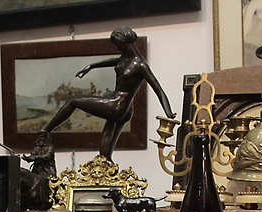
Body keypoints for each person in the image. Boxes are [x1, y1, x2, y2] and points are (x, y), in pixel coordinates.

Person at [42, 26, 175, 161]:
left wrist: (168, 113)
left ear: (124, 43)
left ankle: (45, 131)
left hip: (117, 106)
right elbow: (112, 61)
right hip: (122, 107)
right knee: (104, 156)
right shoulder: (125, 58)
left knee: (73, 101)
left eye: (118, 44)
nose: (117, 48)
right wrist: (91, 66)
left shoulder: (140, 65)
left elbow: (158, 89)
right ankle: (106, 162)